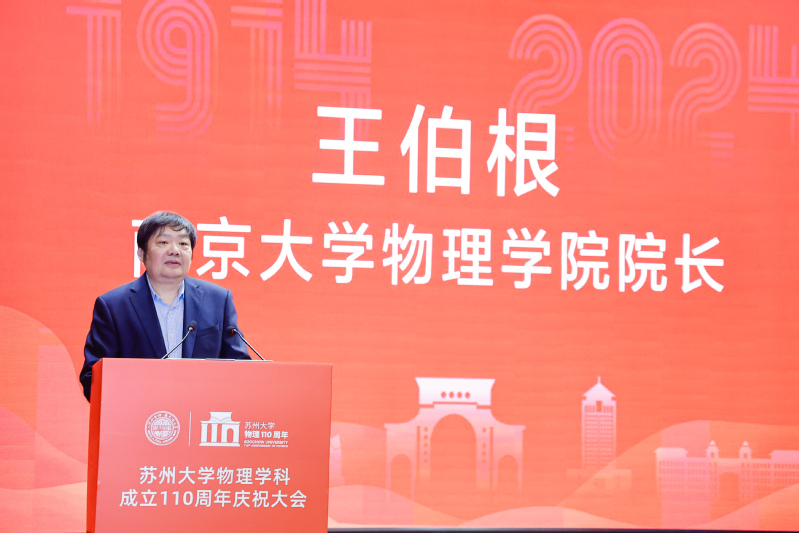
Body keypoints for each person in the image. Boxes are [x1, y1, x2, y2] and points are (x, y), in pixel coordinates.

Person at [79, 211, 251, 401]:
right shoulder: (113, 306)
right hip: (139, 414)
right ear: (141, 253)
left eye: (183, 244)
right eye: (163, 242)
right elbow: (93, 378)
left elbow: (240, 367)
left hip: (202, 413)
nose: (174, 250)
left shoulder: (218, 300)